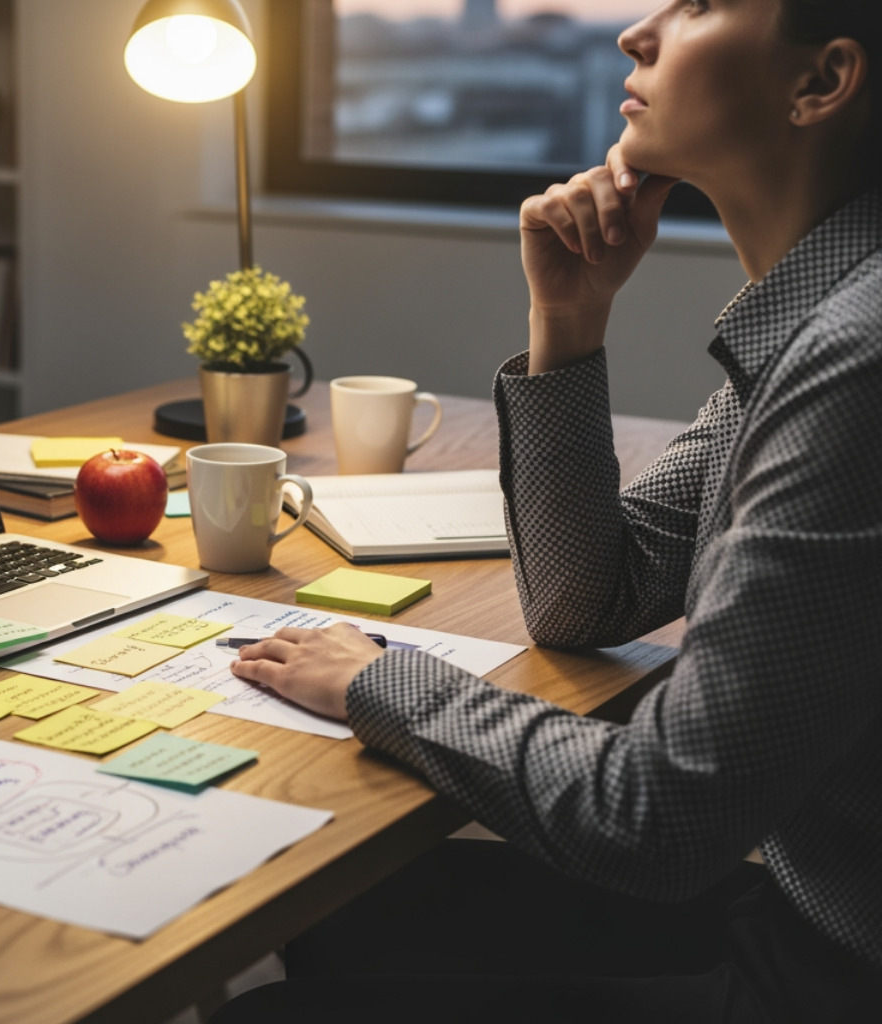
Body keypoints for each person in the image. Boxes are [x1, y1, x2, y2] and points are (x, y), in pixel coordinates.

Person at [215, 0, 882, 1020]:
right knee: (339, 907)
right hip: (788, 903)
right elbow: (587, 601)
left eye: (700, 4)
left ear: (821, 82)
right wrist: (568, 317)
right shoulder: (813, 326)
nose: (637, 32)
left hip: (828, 976)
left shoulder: (855, 362)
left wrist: (383, 681)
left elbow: (657, 817)